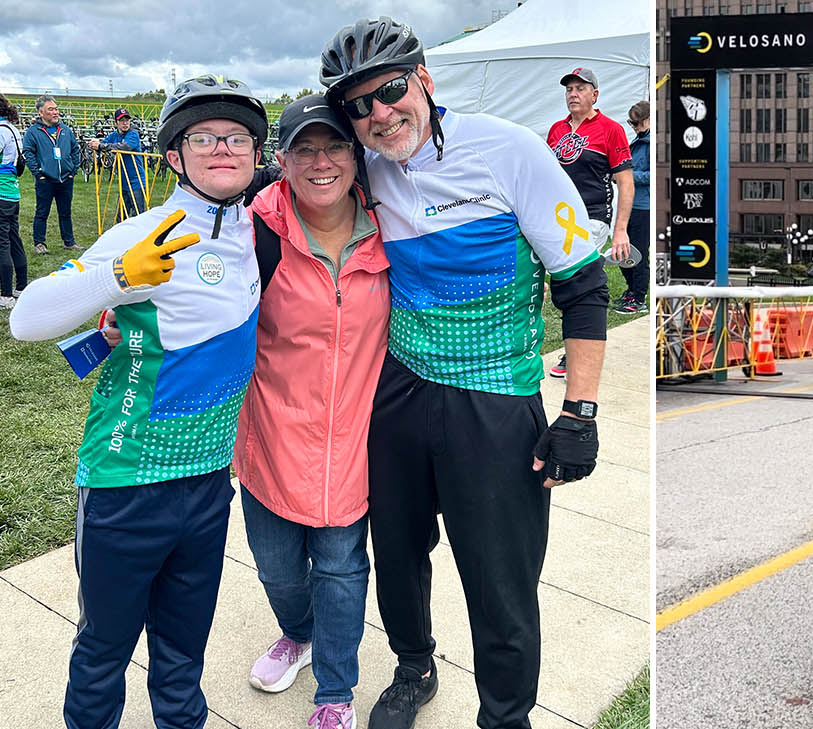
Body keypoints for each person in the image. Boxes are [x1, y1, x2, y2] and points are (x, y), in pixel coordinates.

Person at [319, 17, 610, 729]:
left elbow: (582, 284)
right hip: (400, 387)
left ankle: (505, 717)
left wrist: (580, 412)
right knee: (396, 553)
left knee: (500, 583)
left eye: (390, 91)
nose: (380, 115)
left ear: (424, 79)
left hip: (493, 398)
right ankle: (414, 668)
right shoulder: (368, 168)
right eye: (359, 106)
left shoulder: (511, 150)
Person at [9, 75, 267, 729]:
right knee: (104, 652)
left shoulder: (255, 232)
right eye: (202, 136)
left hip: (209, 485)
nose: (223, 148)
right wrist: (118, 277)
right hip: (127, 485)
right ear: (173, 154)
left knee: (181, 658)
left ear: (258, 156)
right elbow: (28, 318)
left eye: (238, 137)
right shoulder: (146, 233)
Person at [236, 95, 390, 729]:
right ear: (283, 159)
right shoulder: (254, 232)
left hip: (353, 441)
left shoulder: (394, 229)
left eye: (334, 148)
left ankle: (335, 692)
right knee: (277, 568)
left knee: (342, 568)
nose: (321, 162)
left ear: (356, 157)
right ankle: (296, 635)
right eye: (305, 149)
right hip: (272, 438)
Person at [546, 66, 632, 377]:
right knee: (556, 282)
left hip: (593, 218)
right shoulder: (557, 130)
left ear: (594, 95)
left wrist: (620, 230)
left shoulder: (611, 129)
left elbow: (626, 181)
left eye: (580, 88)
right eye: (569, 89)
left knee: (575, 283)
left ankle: (575, 354)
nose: (572, 93)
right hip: (558, 217)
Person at [21, 95, 81, 254]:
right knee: (42, 212)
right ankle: (39, 243)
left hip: (65, 179)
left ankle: (69, 242)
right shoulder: (33, 132)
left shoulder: (65, 130)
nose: (55, 112)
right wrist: (38, 173)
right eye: (51, 109)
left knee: (65, 212)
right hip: (45, 180)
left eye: (56, 109)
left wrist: (73, 170)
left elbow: (75, 149)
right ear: (41, 112)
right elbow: (28, 152)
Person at [613, 100, 650, 314]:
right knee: (623, 250)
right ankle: (631, 290)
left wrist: (626, 177)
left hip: (643, 206)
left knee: (638, 253)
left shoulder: (650, 143)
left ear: (648, 119)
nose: (634, 127)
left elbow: (651, 175)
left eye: (636, 122)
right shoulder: (638, 140)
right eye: (631, 122)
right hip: (629, 203)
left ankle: (639, 297)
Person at [87, 108, 148, 220]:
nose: (125, 123)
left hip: (136, 180)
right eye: (122, 120)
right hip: (123, 181)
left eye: (127, 120)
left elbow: (124, 147)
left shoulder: (133, 135)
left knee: (139, 216)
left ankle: (140, 237)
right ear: (116, 123)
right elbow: (104, 143)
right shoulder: (114, 135)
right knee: (121, 216)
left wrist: (101, 146)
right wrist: (95, 143)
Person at [0, 94, 26, 307]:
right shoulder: (12, 128)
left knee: (2, 242)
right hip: (12, 192)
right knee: (13, 237)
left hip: (1, 191)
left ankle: (6, 295)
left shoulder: (0, 131)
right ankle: (21, 286)